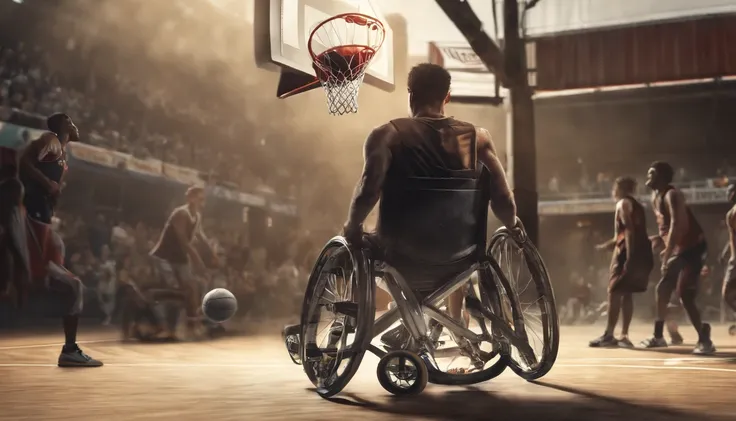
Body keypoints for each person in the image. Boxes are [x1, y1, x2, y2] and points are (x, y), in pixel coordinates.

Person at [341, 63, 523, 349]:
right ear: (446, 97)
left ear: (410, 94)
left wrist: (352, 226)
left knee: (354, 243)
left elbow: (368, 191)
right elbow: (503, 198)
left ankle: (350, 324)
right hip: (461, 257)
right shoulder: (477, 138)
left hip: (399, 253)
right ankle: (438, 323)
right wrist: (513, 225)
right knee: (454, 235)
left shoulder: (387, 135)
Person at [18, 113, 102, 367]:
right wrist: (48, 184)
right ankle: (69, 349)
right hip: (32, 218)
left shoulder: (61, 155)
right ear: (63, 126)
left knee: (60, 260)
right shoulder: (52, 139)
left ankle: (69, 346)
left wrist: (52, 191)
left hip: (41, 219)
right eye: (70, 121)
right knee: (69, 285)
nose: (75, 124)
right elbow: (24, 162)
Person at [641, 161, 714, 354]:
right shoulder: (654, 196)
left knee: (680, 293)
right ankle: (661, 336)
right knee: (669, 290)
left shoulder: (673, 194)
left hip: (692, 247)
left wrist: (667, 254)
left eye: (652, 174)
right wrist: (660, 238)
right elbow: (666, 227)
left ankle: (704, 340)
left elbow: (678, 225)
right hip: (679, 248)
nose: (648, 177)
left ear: (662, 177)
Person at [590, 177, 653, 348]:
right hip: (640, 251)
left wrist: (630, 257)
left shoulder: (622, 204)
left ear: (619, 189)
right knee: (626, 293)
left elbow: (629, 231)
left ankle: (609, 334)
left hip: (627, 252)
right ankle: (624, 335)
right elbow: (623, 234)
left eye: (614, 188)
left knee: (614, 290)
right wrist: (605, 246)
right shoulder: (637, 205)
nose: (612, 192)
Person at [150, 186, 218, 339]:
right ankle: (165, 327)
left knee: (191, 288)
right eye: (199, 199)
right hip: (164, 257)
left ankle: (192, 325)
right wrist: (198, 260)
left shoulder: (197, 216)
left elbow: (201, 236)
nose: (202, 202)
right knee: (174, 290)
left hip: (179, 258)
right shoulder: (181, 213)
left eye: (203, 199)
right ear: (190, 198)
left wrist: (212, 253)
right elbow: (184, 242)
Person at [720, 183, 736, 320]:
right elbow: (732, 237)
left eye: (731, 191)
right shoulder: (730, 215)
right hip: (735, 260)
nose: (729, 194)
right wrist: (726, 253)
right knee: (727, 294)